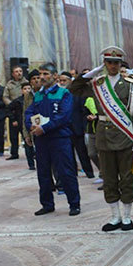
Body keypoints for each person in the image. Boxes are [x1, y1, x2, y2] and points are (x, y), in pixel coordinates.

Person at [70, 46, 133, 232]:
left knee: (127, 177)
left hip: (124, 136)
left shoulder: (130, 84)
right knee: (109, 178)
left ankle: (127, 217)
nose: (112, 65)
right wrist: (92, 73)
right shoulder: (98, 84)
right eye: (109, 62)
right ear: (104, 63)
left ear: (121, 64)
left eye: (116, 62)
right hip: (103, 137)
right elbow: (74, 88)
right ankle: (115, 216)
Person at [25, 63, 81, 216]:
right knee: (43, 173)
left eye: (45, 74)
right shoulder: (38, 95)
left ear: (54, 76)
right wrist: (30, 125)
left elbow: (63, 116)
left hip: (59, 139)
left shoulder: (64, 94)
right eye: (40, 74)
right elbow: (29, 112)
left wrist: (45, 127)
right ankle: (47, 204)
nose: (41, 77)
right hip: (42, 140)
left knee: (65, 172)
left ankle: (74, 204)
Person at [58, 71, 95, 179]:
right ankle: (73, 173)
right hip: (65, 128)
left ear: (70, 81)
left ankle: (89, 173)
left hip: (77, 127)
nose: (62, 82)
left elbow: (83, 110)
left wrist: (83, 126)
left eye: (64, 80)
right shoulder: (59, 94)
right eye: (60, 80)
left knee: (82, 152)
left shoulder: (77, 94)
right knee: (68, 153)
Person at [3, 66, 26, 160]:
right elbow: (5, 97)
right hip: (14, 112)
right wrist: (12, 105)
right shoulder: (9, 85)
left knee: (26, 134)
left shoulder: (26, 83)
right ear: (13, 74)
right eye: (16, 71)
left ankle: (31, 152)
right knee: (13, 135)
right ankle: (14, 153)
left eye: (20, 71)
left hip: (24, 111)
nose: (19, 73)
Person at [21, 71, 40, 170]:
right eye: (34, 78)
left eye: (38, 78)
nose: (36, 80)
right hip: (33, 128)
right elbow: (25, 114)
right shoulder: (28, 96)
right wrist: (26, 134)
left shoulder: (45, 92)